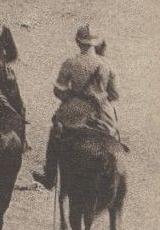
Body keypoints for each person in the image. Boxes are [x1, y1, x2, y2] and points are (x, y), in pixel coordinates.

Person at [32, 25, 120, 190]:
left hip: (74, 113)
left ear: (78, 42)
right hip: (101, 113)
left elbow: (59, 90)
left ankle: (49, 177)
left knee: (55, 134)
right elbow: (115, 94)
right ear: (95, 43)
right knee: (113, 139)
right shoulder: (106, 65)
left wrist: (72, 95)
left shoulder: (70, 63)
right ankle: (114, 177)